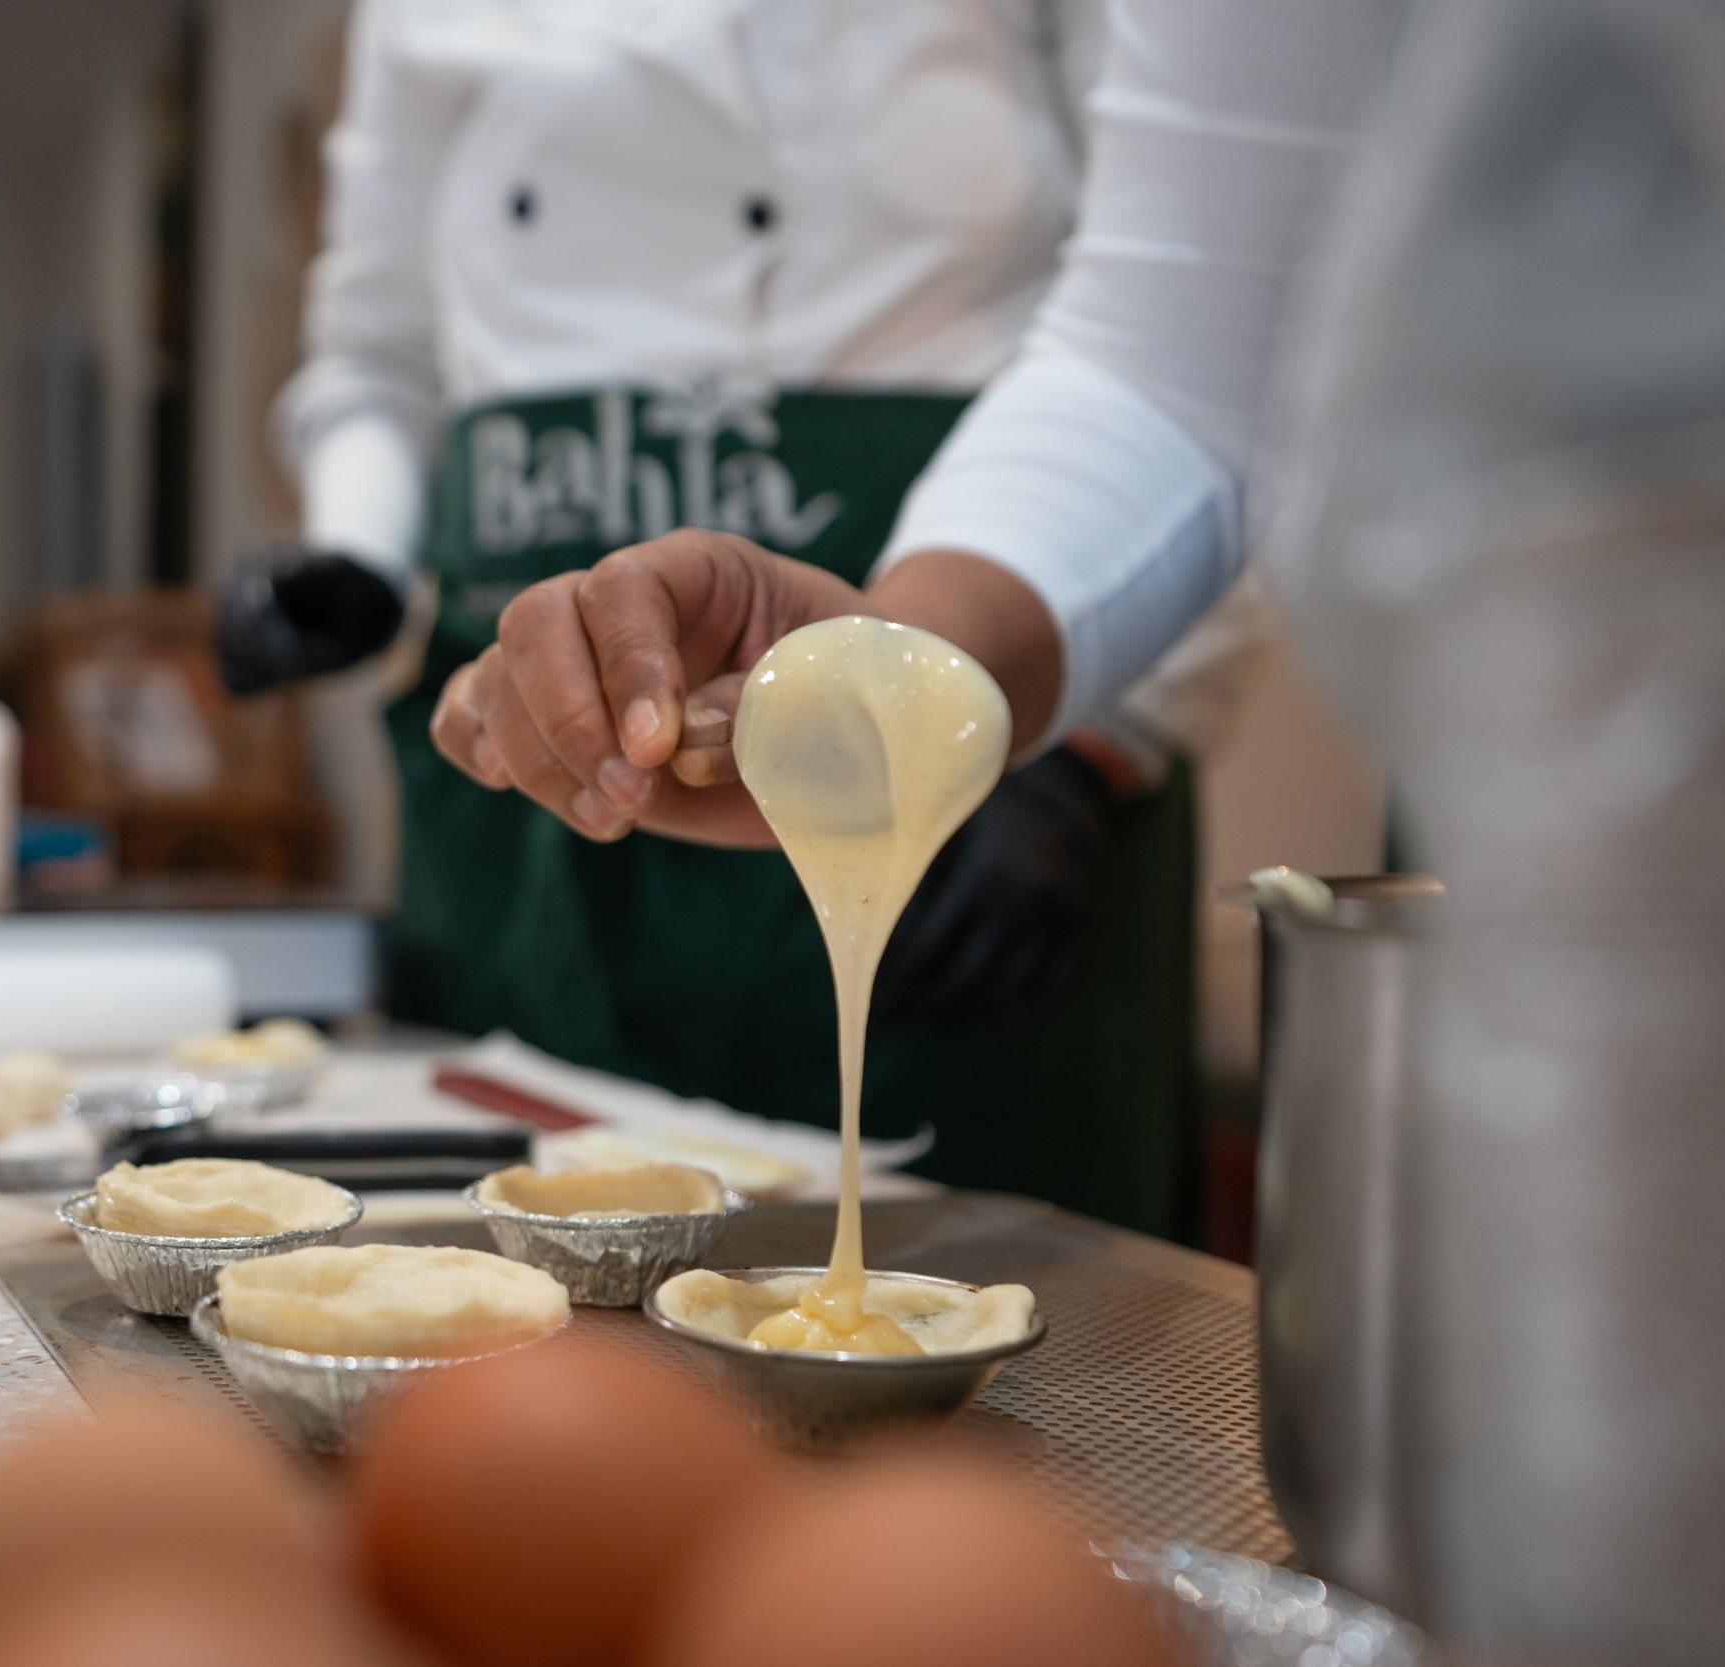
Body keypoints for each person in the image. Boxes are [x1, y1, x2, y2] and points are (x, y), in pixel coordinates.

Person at [218, 0, 1281, 1238]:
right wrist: (357, 541)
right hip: (546, 768)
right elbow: (378, 349)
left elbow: (1197, 347)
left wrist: (1098, 742)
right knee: (518, 1266)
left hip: (984, 718)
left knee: (983, 1288)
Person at [434, 0, 1403, 827]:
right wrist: (904, 671)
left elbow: (1236, 337)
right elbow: (1183, 352)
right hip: (922, 611)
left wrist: (1098, 741)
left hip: (1030, 613)